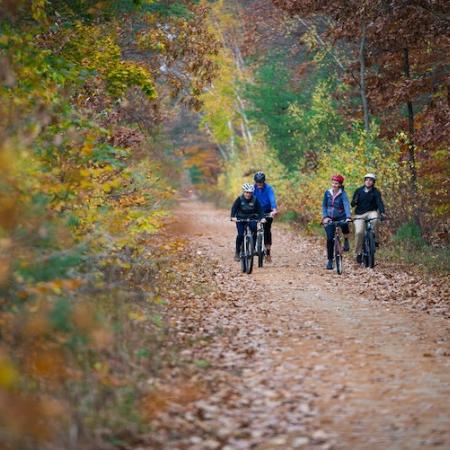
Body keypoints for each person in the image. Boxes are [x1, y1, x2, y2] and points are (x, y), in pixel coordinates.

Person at [351, 173, 386, 264]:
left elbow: (379, 202)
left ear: (373, 182)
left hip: (371, 212)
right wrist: (355, 201)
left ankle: (375, 240)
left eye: (370, 180)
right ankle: (358, 252)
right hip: (359, 214)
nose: (368, 181)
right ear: (364, 181)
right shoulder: (358, 190)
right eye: (367, 179)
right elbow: (352, 204)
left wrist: (382, 212)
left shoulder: (376, 191)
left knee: (375, 219)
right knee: (359, 232)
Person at [322, 174, 352, 270]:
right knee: (330, 239)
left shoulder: (343, 194)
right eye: (333, 183)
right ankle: (330, 260)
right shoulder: (327, 193)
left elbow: (346, 204)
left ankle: (346, 239)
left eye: (336, 183)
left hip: (341, 217)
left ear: (340, 184)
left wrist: (348, 216)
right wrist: (325, 217)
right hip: (329, 218)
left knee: (345, 224)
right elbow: (324, 206)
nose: (334, 185)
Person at [230, 183, 265, 262]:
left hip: (251, 218)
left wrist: (262, 218)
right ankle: (237, 252)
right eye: (246, 192)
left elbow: (260, 210)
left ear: (252, 193)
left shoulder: (255, 200)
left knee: (254, 230)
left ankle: (252, 248)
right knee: (240, 235)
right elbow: (234, 208)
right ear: (244, 192)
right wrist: (232, 217)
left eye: (250, 193)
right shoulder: (239, 199)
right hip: (240, 219)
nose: (248, 194)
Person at [253, 171, 278, 263]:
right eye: (257, 182)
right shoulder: (253, 188)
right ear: (255, 181)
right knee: (252, 227)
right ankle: (251, 244)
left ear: (264, 181)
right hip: (255, 211)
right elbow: (249, 198)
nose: (259, 184)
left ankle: (267, 252)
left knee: (267, 231)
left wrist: (274, 209)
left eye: (261, 182)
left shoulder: (268, 188)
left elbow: (272, 199)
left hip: (267, 211)